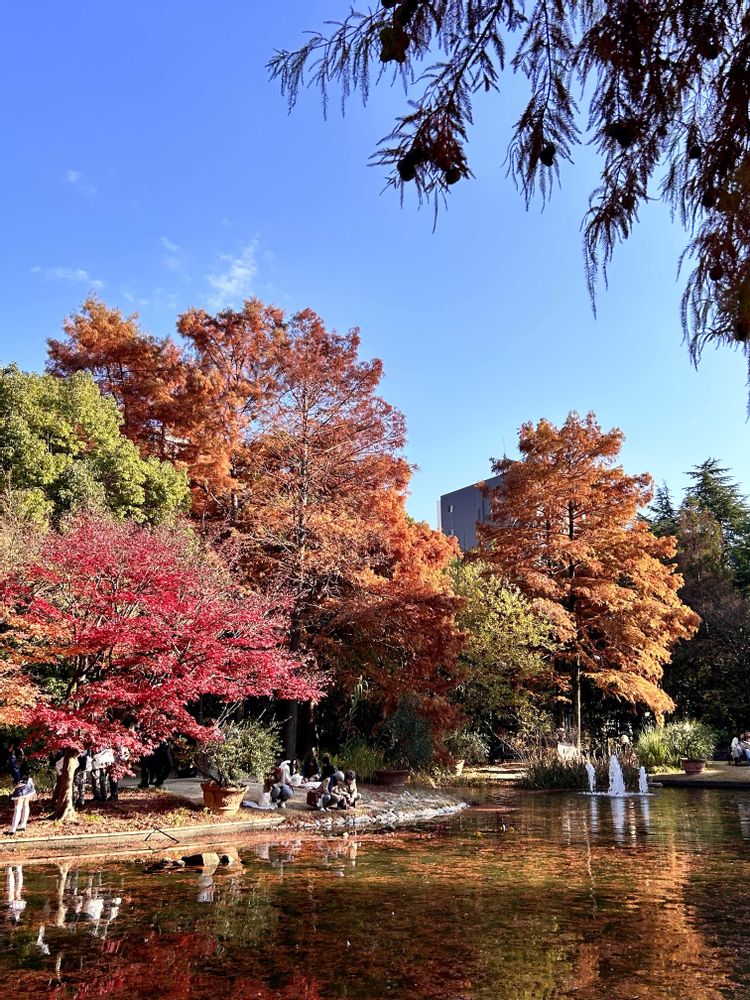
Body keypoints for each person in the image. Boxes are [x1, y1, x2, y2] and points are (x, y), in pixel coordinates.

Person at [5, 767, 35, 836]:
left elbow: (14, 771)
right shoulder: (24, 760)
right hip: (28, 781)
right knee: (25, 804)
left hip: (21, 784)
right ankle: (22, 825)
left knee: (18, 808)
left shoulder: (12, 760)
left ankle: (13, 830)